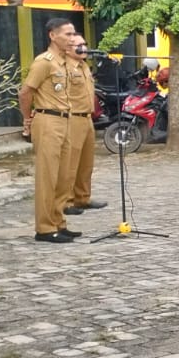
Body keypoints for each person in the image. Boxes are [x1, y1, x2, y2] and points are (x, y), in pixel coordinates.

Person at [19, 18, 90, 243]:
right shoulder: (45, 62)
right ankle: (45, 227)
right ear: (52, 35)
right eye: (67, 35)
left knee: (65, 176)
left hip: (66, 120)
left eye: (73, 34)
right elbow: (26, 92)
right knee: (48, 176)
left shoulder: (65, 63)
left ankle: (59, 222)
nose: (72, 39)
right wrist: (27, 118)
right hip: (48, 119)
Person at [63, 35, 107, 216]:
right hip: (72, 117)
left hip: (87, 118)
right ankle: (66, 201)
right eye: (77, 45)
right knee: (70, 162)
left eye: (84, 44)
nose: (83, 48)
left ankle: (82, 197)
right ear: (67, 48)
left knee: (86, 162)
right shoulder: (63, 67)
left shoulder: (84, 67)